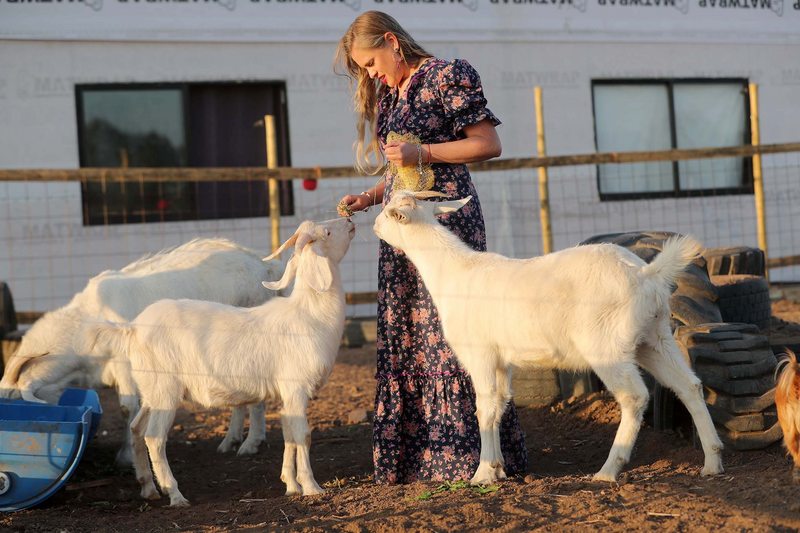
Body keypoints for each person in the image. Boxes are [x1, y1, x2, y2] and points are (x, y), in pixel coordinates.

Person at [335, 10, 527, 483]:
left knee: (460, 339)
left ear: (390, 40)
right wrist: (370, 197)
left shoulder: (450, 75)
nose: (370, 74)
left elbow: (487, 144)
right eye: (363, 69)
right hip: (401, 232)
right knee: (409, 339)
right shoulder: (390, 94)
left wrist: (425, 152)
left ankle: (475, 456)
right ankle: (419, 459)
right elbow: (401, 173)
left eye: (371, 62)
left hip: (449, 222)